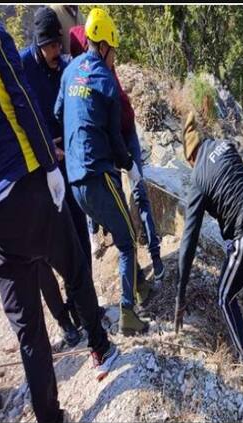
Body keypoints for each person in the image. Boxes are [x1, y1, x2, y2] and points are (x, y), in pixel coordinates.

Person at [0, 15, 118, 422]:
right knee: (75, 266)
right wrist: (50, 166)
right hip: (27, 183)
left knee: (29, 330)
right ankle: (100, 348)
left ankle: (50, 417)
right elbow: (22, 99)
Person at [54, 8, 151, 336]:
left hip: (74, 179)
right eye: (114, 51)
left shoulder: (70, 70)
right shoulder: (106, 82)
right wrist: (131, 166)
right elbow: (115, 138)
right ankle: (128, 312)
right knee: (128, 241)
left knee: (120, 227)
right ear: (105, 46)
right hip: (98, 176)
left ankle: (140, 285)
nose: (114, 59)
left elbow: (58, 112)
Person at [174, 112, 243, 365]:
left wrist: (180, 292)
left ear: (190, 157)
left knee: (224, 296)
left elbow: (189, 238)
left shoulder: (198, 177)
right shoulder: (224, 146)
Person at [68, 24, 165, 281]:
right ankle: (134, 271)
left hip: (126, 131)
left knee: (140, 192)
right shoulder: (80, 69)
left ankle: (155, 255)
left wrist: (130, 164)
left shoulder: (102, 64)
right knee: (119, 199)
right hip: (110, 143)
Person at [20, 6, 92, 347]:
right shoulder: (22, 67)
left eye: (58, 45)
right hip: (39, 173)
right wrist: (46, 146)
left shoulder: (62, 65)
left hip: (68, 165)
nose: (56, 51)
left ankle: (86, 306)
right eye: (50, 46)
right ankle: (66, 318)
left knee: (80, 235)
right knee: (46, 253)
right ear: (38, 45)